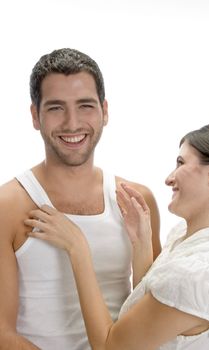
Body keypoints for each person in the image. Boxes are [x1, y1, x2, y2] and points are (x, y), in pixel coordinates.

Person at [0, 48, 161, 349]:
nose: (72, 123)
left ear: (105, 111)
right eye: (56, 108)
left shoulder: (138, 200)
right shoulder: (8, 207)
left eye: (85, 105)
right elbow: (2, 334)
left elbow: (153, 314)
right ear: (35, 116)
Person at [26, 122, 209, 349]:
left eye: (181, 163)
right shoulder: (188, 237)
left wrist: (77, 248)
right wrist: (141, 244)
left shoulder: (200, 272)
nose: (169, 178)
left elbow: (110, 346)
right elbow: (150, 316)